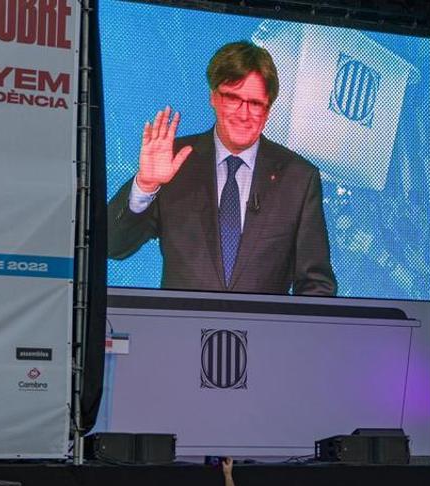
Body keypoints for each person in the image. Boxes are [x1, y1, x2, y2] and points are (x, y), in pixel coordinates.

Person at [107, 41, 336, 296]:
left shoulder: (298, 178)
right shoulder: (175, 161)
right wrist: (147, 185)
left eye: (255, 103)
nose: (243, 113)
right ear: (214, 97)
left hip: (266, 335)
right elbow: (112, 246)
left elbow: (317, 285)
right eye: (233, 98)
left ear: (268, 110)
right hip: (180, 333)